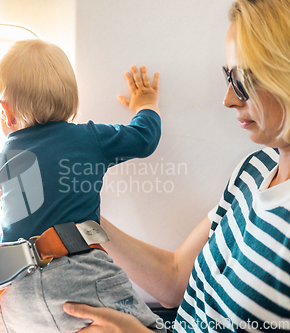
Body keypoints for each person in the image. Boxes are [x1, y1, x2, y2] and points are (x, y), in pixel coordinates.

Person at [63, 0, 290, 332]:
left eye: (244, 79)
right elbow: (174, 280)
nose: (228, 99)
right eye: (228, 76)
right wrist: (78, 216)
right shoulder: (254, 169)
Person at [0, 39, 164, 332]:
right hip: (79, 277)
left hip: (14, 290)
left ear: (6, 112)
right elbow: (144, 139)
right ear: (72, 99)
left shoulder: (4, 158)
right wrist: (145, 104)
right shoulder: (89, 138)